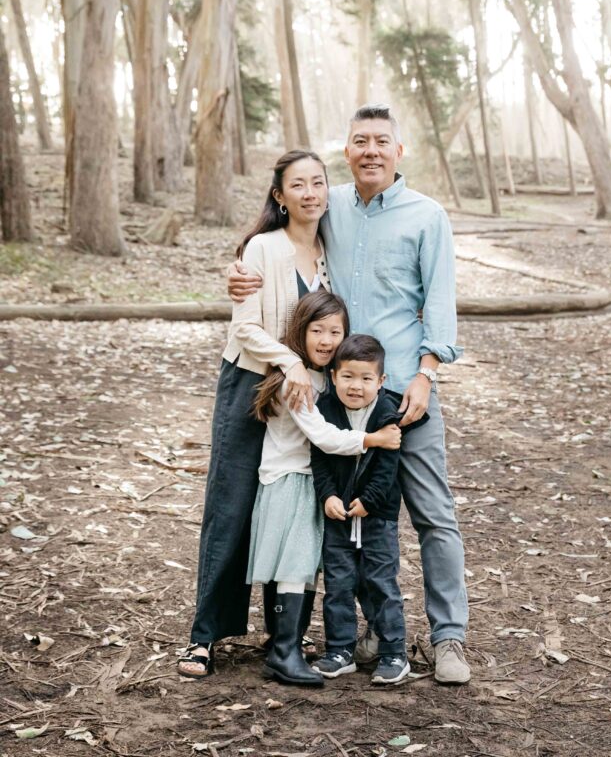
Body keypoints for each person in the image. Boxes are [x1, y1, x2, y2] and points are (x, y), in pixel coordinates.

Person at [228, 104, 470, 685]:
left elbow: (440, 302)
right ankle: (372, 631)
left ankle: (449, 639)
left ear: (399, 151)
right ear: (347, 150)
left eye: (382, 141)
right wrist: (238, 273)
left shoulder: (426, 215)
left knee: (432, 514)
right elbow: (281, 235)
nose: (371, 151)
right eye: (360, 141)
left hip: (404, 391)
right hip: (339, 395)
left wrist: (427, 374)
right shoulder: (329, 204)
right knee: (348, 514)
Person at [177, 149, 335, 679]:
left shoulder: (330, 251)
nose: (310, 193)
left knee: (290, 500)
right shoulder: (263, 248)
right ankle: (204, 637)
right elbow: (244, 327)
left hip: (305, 395)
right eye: (298, 184)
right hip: (252, 384)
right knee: (233, 503)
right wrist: (289, 361)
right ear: (279, 195)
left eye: (318, 182)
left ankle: (282, 633)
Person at [248, 295, 401, 687]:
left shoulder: (322, 378)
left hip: (313, 482)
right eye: (317, 330)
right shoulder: (294, 380)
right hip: (290, 477)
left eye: (336, 331)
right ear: (300, 331)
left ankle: (288, 644)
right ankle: (284, 651)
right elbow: (323, 437)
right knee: (294, 565)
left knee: (307, 566)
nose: (327, 339)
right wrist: (373, 439)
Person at [311, 334, 410, 686]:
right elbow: (320, 459)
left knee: (381, 583)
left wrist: (370, 500)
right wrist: (327, 496)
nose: (356, 386)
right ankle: (340, 650)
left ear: (380, 381)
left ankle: (394, 652)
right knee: (338, 584)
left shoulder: (386, 414)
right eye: (348, 376)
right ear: (334, 376)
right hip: (338, 516)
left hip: (377, 517)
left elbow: (387, 468)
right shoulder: (326, 410)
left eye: (366, 378)